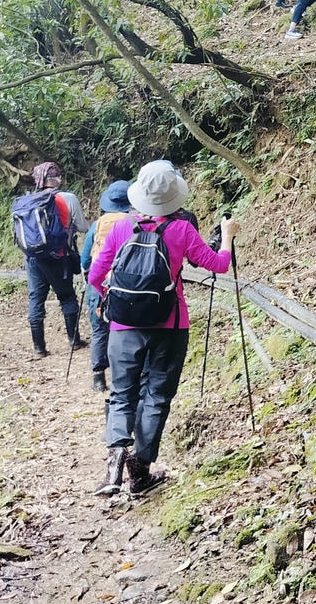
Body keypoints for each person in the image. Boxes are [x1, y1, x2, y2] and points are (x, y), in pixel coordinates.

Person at [88, 160, 237, 496]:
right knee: (156, 395)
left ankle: (114, 464)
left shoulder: (122, 227)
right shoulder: (182, 230)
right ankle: (140, 472)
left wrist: (112, 302)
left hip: (123, 326)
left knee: (122, 394)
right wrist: (227, 236)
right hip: (169, 324)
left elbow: (95, 276)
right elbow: (219, 264)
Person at [13, 161, 88, 360]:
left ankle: (39, 348)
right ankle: (74, 340)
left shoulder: (28, 201)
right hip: (58, 257)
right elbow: (83, 227)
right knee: (67, 297)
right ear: (57, 179)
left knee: (36, 299)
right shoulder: (68, 198)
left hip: (33, 258)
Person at [79, 179, 131, 393]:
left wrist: (87, 273)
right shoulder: (134, 223)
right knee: (125, 329)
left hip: (99, 282)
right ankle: (122, 374)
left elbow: (85, 258)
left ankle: (98, 377)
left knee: (99, 329)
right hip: (126, 283)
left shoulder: (98, 224)